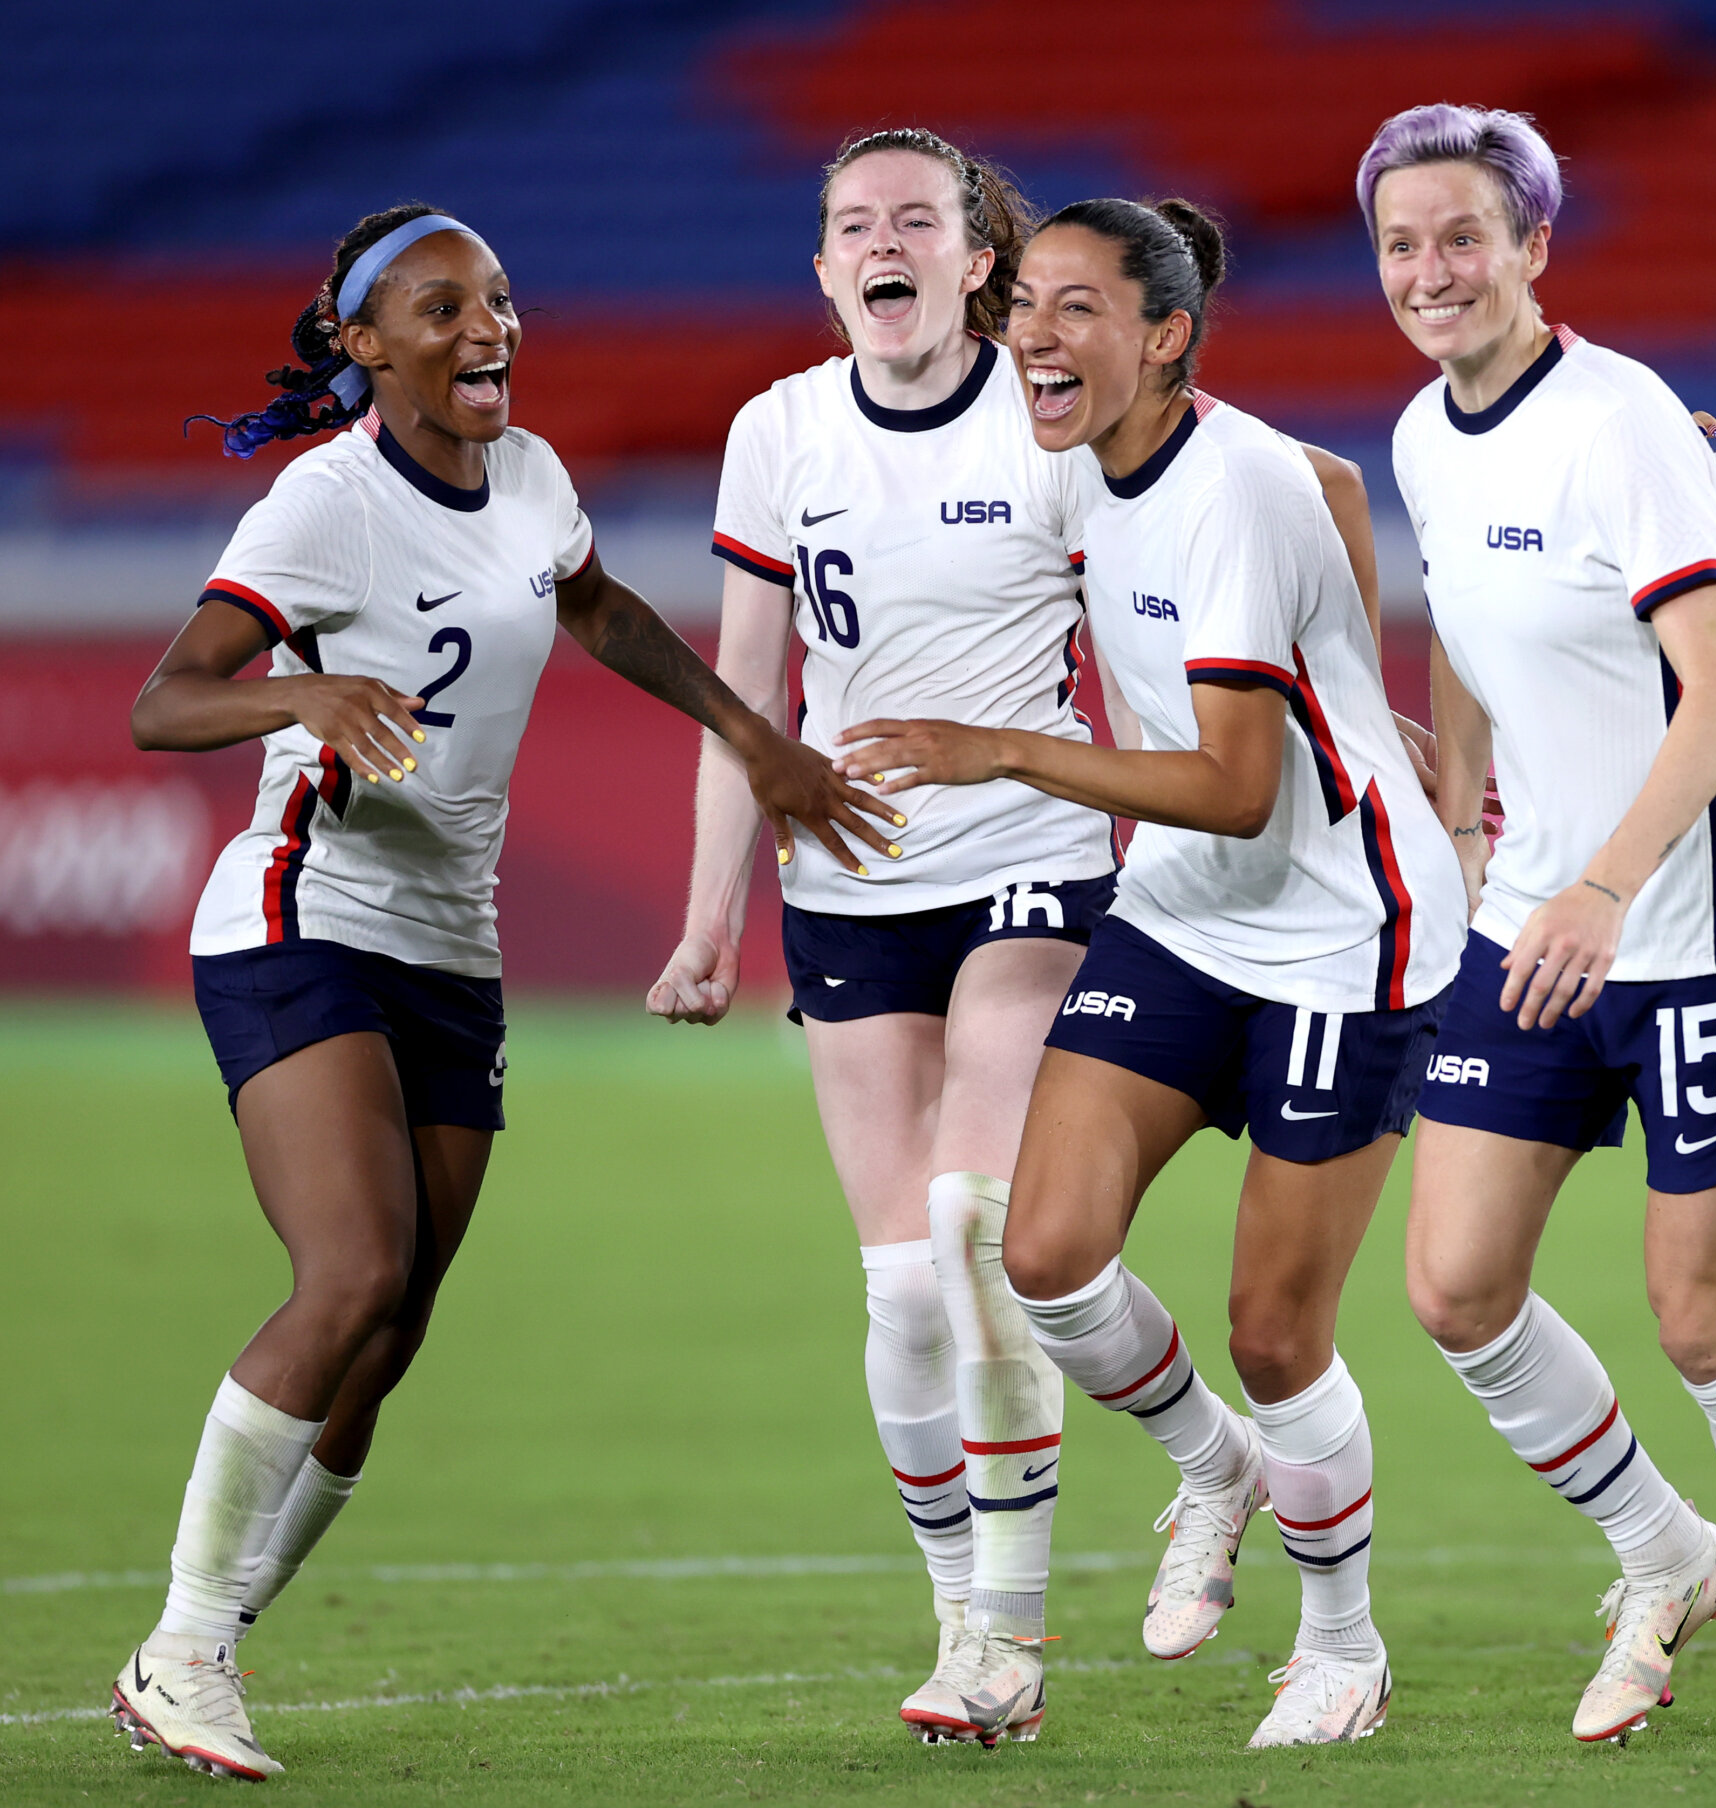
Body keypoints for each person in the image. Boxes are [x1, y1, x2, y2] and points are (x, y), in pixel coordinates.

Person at [643, 130, 1414, 1749]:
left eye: (917, 217)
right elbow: (741, 690)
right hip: (845, 884)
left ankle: (1004, 1643)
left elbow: (1310, 483)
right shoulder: (778, 432)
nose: (883, 242)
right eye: (852, 221)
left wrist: (1372, 713)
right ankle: (1187, 1470)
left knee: (981, 1223)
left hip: (1035, 864)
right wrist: (710, 916)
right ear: (822, 264)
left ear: (976, 259)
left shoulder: (1051, 398)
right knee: (905, 1295)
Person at [115, 204, 875, 1782]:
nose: (489, 329)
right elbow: (163, 701)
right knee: (352, 1275)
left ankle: (213, 1629)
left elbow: (594, 605)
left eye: (502, 300)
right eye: (443, 307)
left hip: (451, 946)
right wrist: (301, 687)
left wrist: (754, 734)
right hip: (301, 911)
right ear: (366, 347)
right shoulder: (322, 506)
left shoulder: (527, 476)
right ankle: (183, 1647)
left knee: (392, 1328)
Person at [842, 195, 1464, 1749]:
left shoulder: (1229, 495)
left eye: (1074, 309)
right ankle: (1214, 1463)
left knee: (1276, 1333)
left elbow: (1240, 783)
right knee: (1043, 1254)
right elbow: (1331, 478)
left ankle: (1342, 1645)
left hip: (1345, 930)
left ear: (1166, 337)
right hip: (1187, 914)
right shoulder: (1095, 460)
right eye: (1025, 304)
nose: (1032, 338)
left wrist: (1002, 750)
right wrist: (1372, 701)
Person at [1359, 105, 1716, 1757]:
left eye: (1461, 236)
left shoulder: (1623, 418)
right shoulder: (1427, 434)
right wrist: (1468, 801)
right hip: (1534, 922)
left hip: (1703, 921)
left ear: (1532, 246)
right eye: (1400, 242)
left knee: (1705, 1320)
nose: (1430, 270)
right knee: (1454, 1287)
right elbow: (1464, 620)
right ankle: (1667, 1554)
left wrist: (1604, 881)